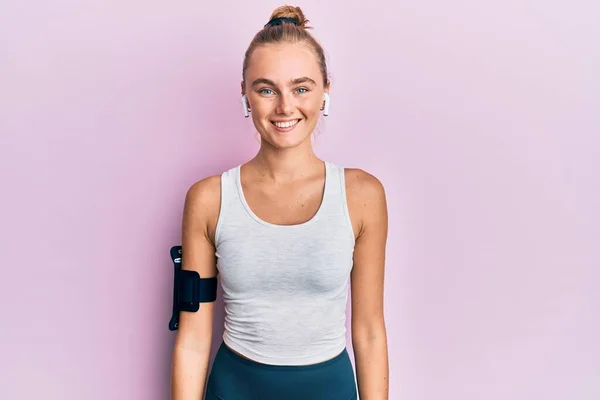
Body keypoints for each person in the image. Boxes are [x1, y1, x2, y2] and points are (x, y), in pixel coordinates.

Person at [171, 5, 389, 399]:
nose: (285, 107)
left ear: (325, 90)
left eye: (301, 88)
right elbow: (192, 339)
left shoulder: (362, 196)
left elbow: (370, 331)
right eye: (267, 89)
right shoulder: (208, 199)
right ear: (245, 94)